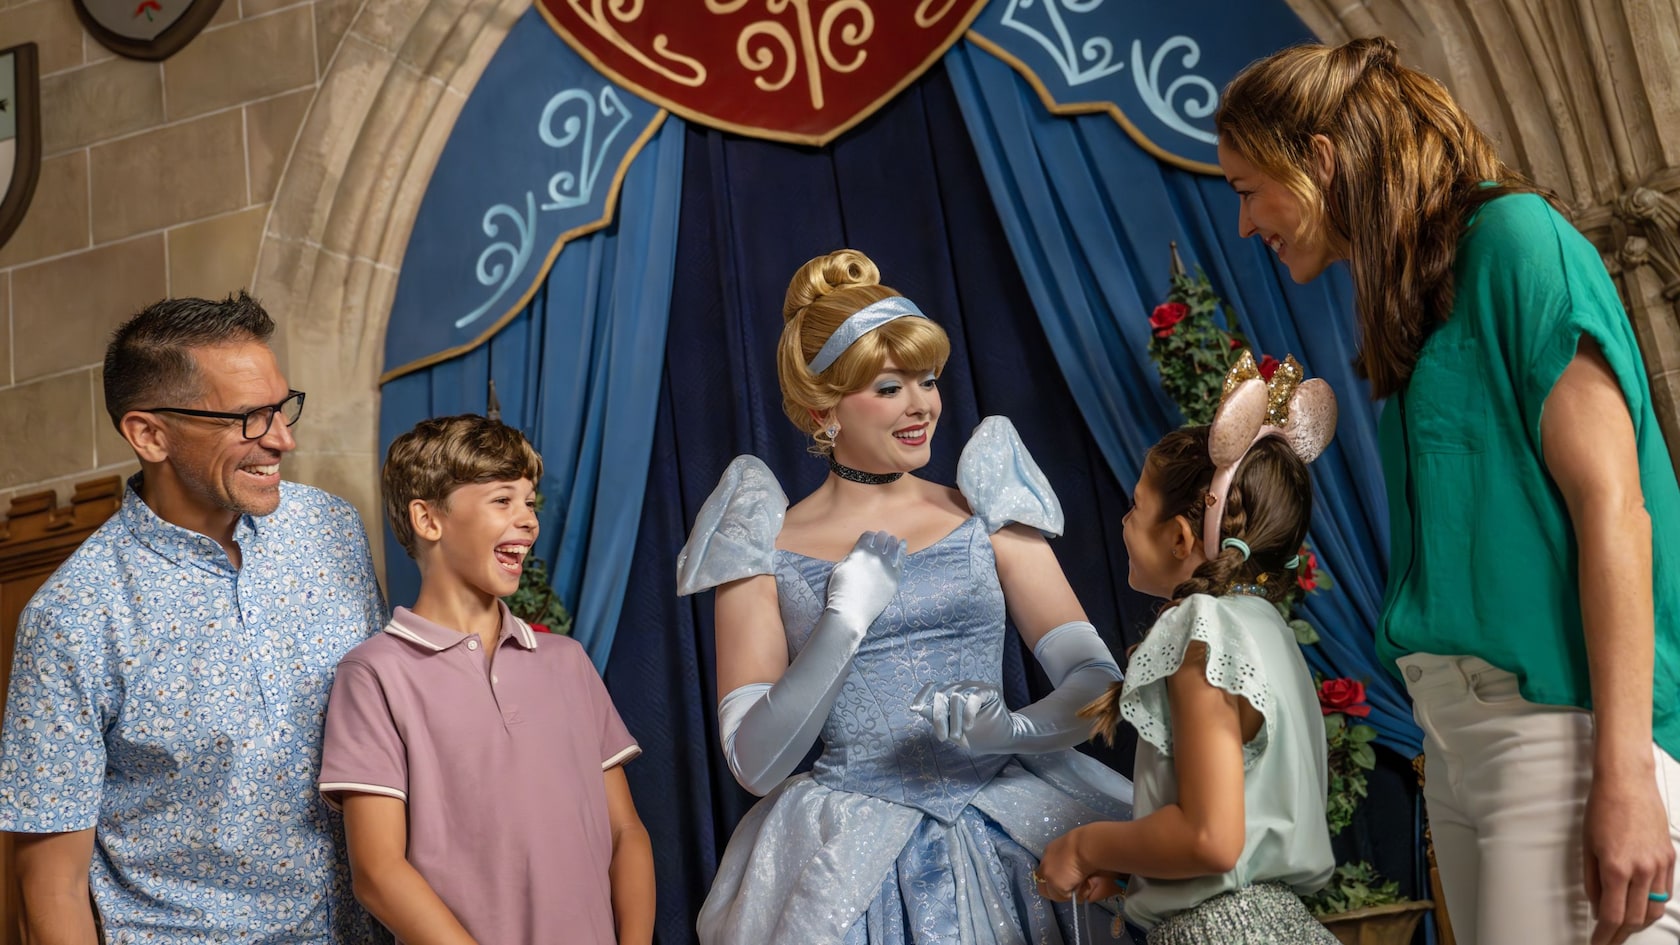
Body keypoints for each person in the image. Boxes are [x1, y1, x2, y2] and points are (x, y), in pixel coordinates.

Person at [1213, 36, 1680, 945]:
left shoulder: (1514, 239)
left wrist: (1624, 772)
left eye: (1247, 189)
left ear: (1320, 159)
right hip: (1461, 743)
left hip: (1561, 731)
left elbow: (1616, 512)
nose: (1245, 224)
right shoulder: (1415, 295)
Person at [675, 248, 1135, 944]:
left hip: (1014, 820)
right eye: (890, 387)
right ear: (819, 408)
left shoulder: (986, 511)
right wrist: (841, 623)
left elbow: (1097, 680)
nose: (922, 404)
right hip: (851, 855)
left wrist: (1015, 729)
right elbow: (755, 762)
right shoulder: (762, 550)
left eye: (926, 379)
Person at [0, 292, 387, 943]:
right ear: (149, 433)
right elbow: (51, 887)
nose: (283, 439)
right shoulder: (72, 619)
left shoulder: (332, 528)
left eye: (282, 407)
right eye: (249, 418)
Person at [1035, 352, 1339, 943]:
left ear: (1178, 536)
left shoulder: (1201, 628)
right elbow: (1238, 837)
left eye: (1135, 507)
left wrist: (1085, 844)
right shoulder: (1264, 625)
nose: (1123, 523)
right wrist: (1135, 874)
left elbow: (1211, 839)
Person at [318, 415, 654, 945]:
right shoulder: (374, 675)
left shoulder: (566, 662)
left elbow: (626, 831)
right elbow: (379, 873)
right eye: (503, 501)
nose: (528, 520)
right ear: (429, 520)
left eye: (530, 502)